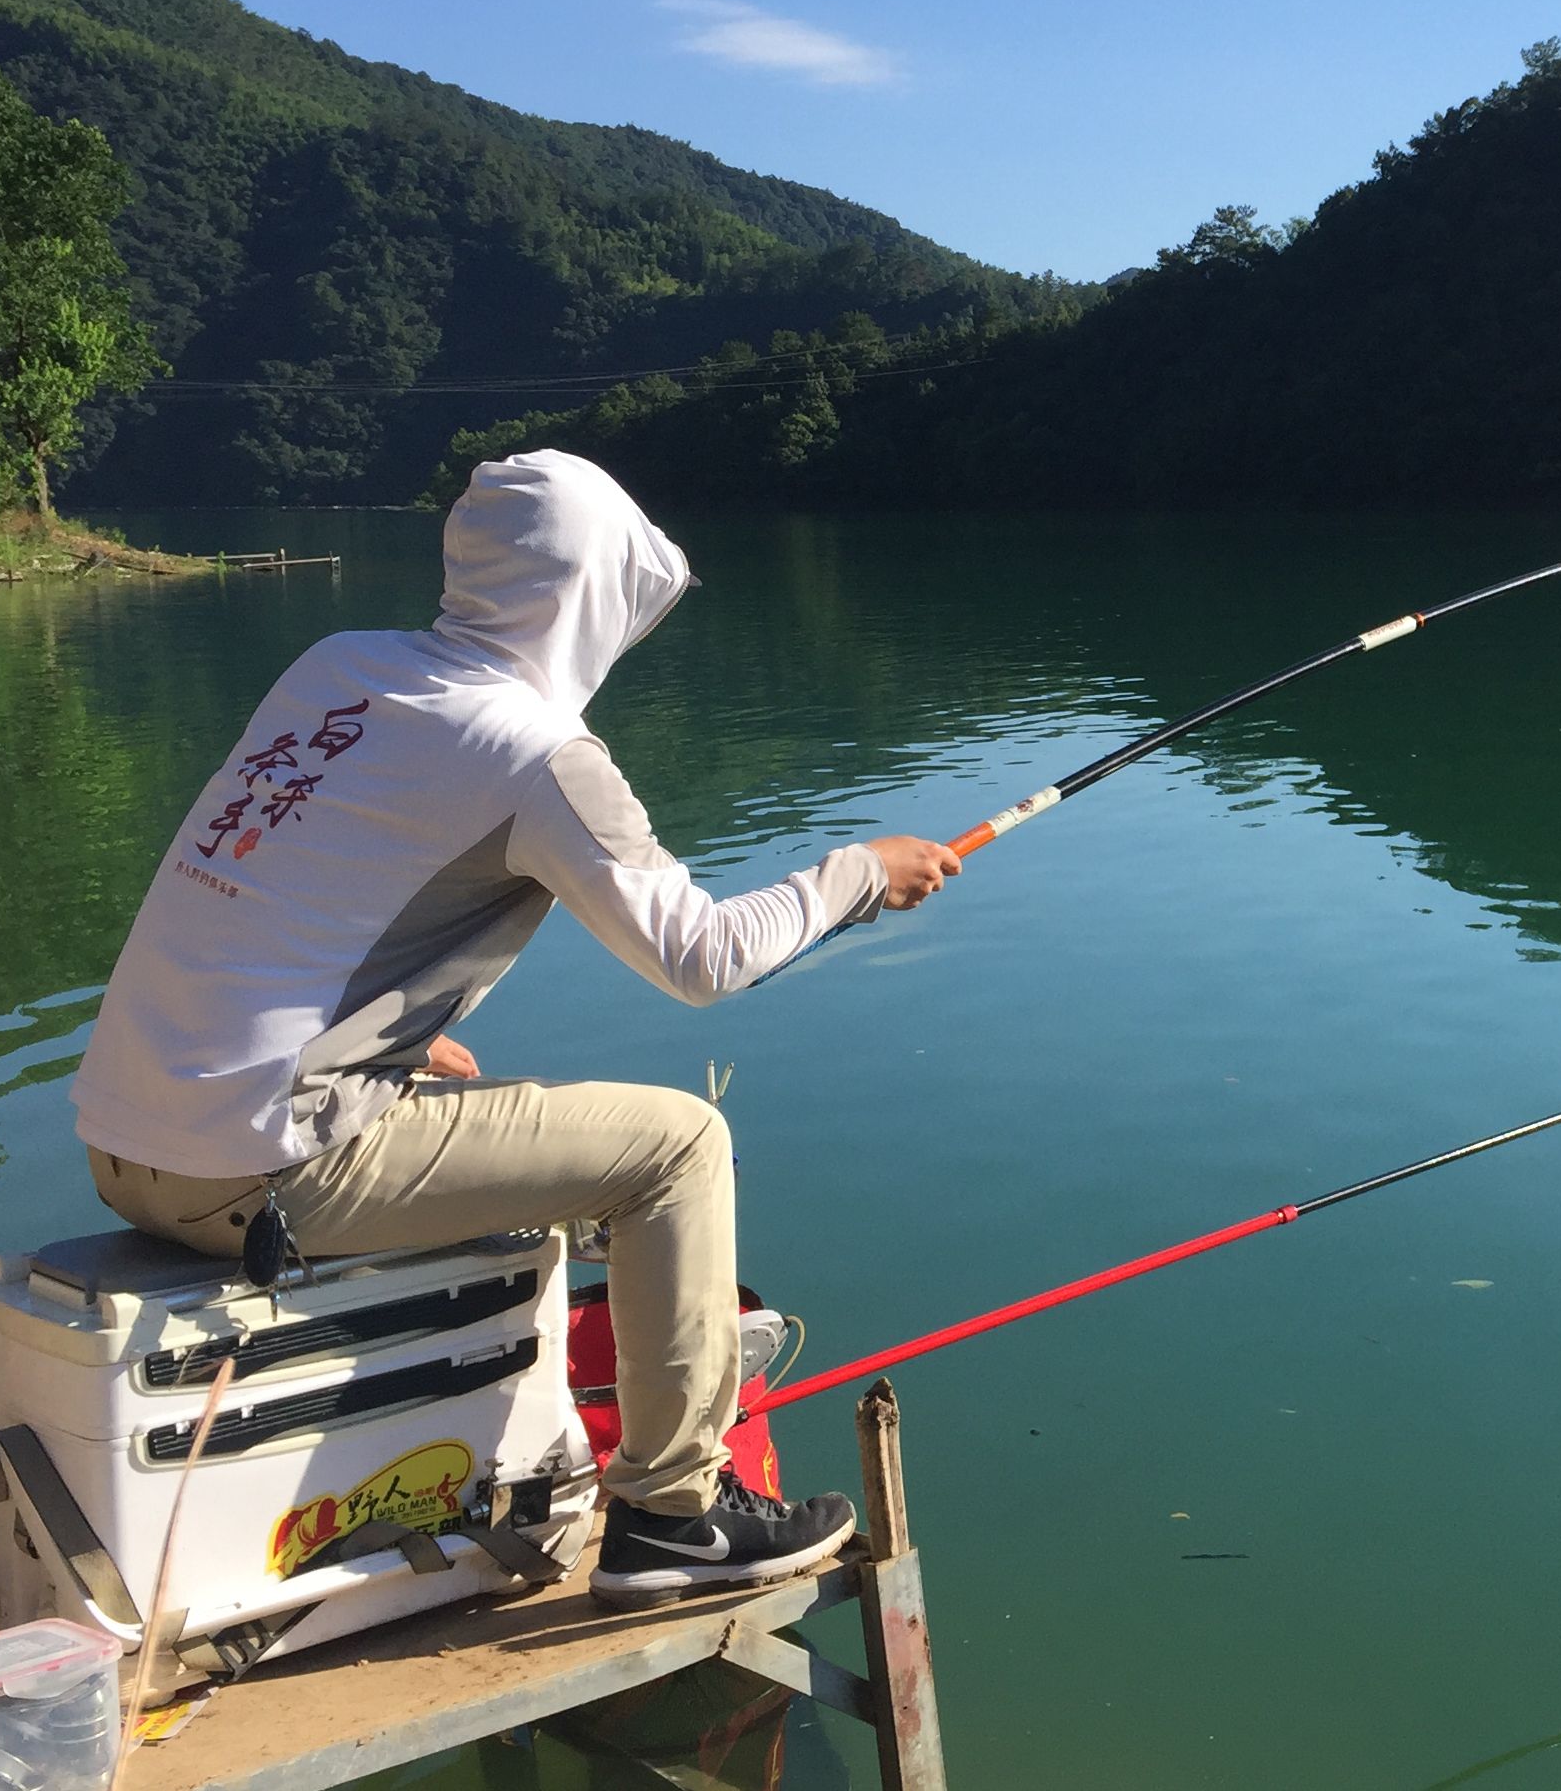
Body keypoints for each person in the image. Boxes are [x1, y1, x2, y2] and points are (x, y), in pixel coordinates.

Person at [71, 449, 961, 1602]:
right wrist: (856, 872)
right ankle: (674, 1512)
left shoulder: (338, 668)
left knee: (511, 1110)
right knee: (677, 1145)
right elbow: (702, 958)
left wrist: (381, 1031)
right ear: (594, 595)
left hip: (126, 1143)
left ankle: (526, 1422)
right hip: (265, 1165)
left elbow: (290, 894)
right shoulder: (539, 753)